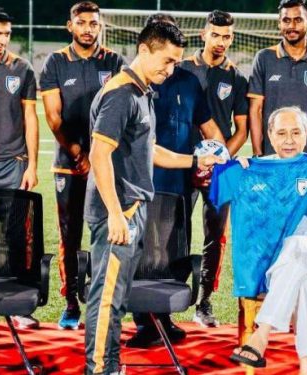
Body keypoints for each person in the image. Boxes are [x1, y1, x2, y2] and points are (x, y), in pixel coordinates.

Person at [82, 21, 223, 375]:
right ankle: (99, 368)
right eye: (166, 60)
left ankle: (110, 365)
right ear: (144, 50)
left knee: (117, 297)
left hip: (133, 209)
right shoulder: (121, 94)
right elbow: (99, 155)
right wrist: (115, 214)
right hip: (119, 212)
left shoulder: (142, 91)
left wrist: (196, 160)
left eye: (176, 62)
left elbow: (151, 151)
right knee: (107, 297)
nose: (171, 69)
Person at [221, 106, 307, 375]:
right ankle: (305, 363)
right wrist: (240, 173)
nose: (289, 140)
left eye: (296, 132)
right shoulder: (259, 169)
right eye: (282, 133)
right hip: (284, 259)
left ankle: (261, 335)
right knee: (302, 279)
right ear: (270, 136)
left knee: (299, 246)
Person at [126, 12, 226, 348]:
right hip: (144, 182)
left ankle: (163, 316)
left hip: (180, 182)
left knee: (172, 250)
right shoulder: (136, 83)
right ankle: (145, 320)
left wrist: (222, 158)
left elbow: (207, 126)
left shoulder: (188, 81)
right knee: (144, 252)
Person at [40, 1, 125, 330]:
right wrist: (79, 153)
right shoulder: (56, 62)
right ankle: (71, 303)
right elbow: (52, 116)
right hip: (69, 165)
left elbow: (122, 107)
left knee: (105, 233)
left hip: (106, 165)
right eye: (82, 22)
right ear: (70, 26)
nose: (89, 28)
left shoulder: (114, 61)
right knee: (69, 235)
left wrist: (100, 156)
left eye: (94, 23)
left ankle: (102, 301)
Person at [179, 9, 249, 328]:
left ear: (231, 38)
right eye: (215, 35)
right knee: (174, 231)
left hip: (221, 169)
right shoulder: (182, 70)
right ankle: (170, 295)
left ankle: (204, 302)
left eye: (226, 36)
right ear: (203, 34)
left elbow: (242, 130)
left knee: (216, 235)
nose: (220, 41)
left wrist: (221, 156)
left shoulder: (237, 78)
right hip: (181, 164)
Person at [0, 6, 41, 330]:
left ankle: (18, 306)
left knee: (15, 236)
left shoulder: (23, 68)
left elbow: (30, 116)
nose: (2, 40)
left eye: (7, 34)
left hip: (12, 165)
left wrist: (30, 164)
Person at [248, 0, 307, 157]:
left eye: (298, 20)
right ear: (279, 23)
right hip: (271, 155)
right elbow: (256, 110)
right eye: (286, 20)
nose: (291, 26)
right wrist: (257, 154)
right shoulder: (264, 58)